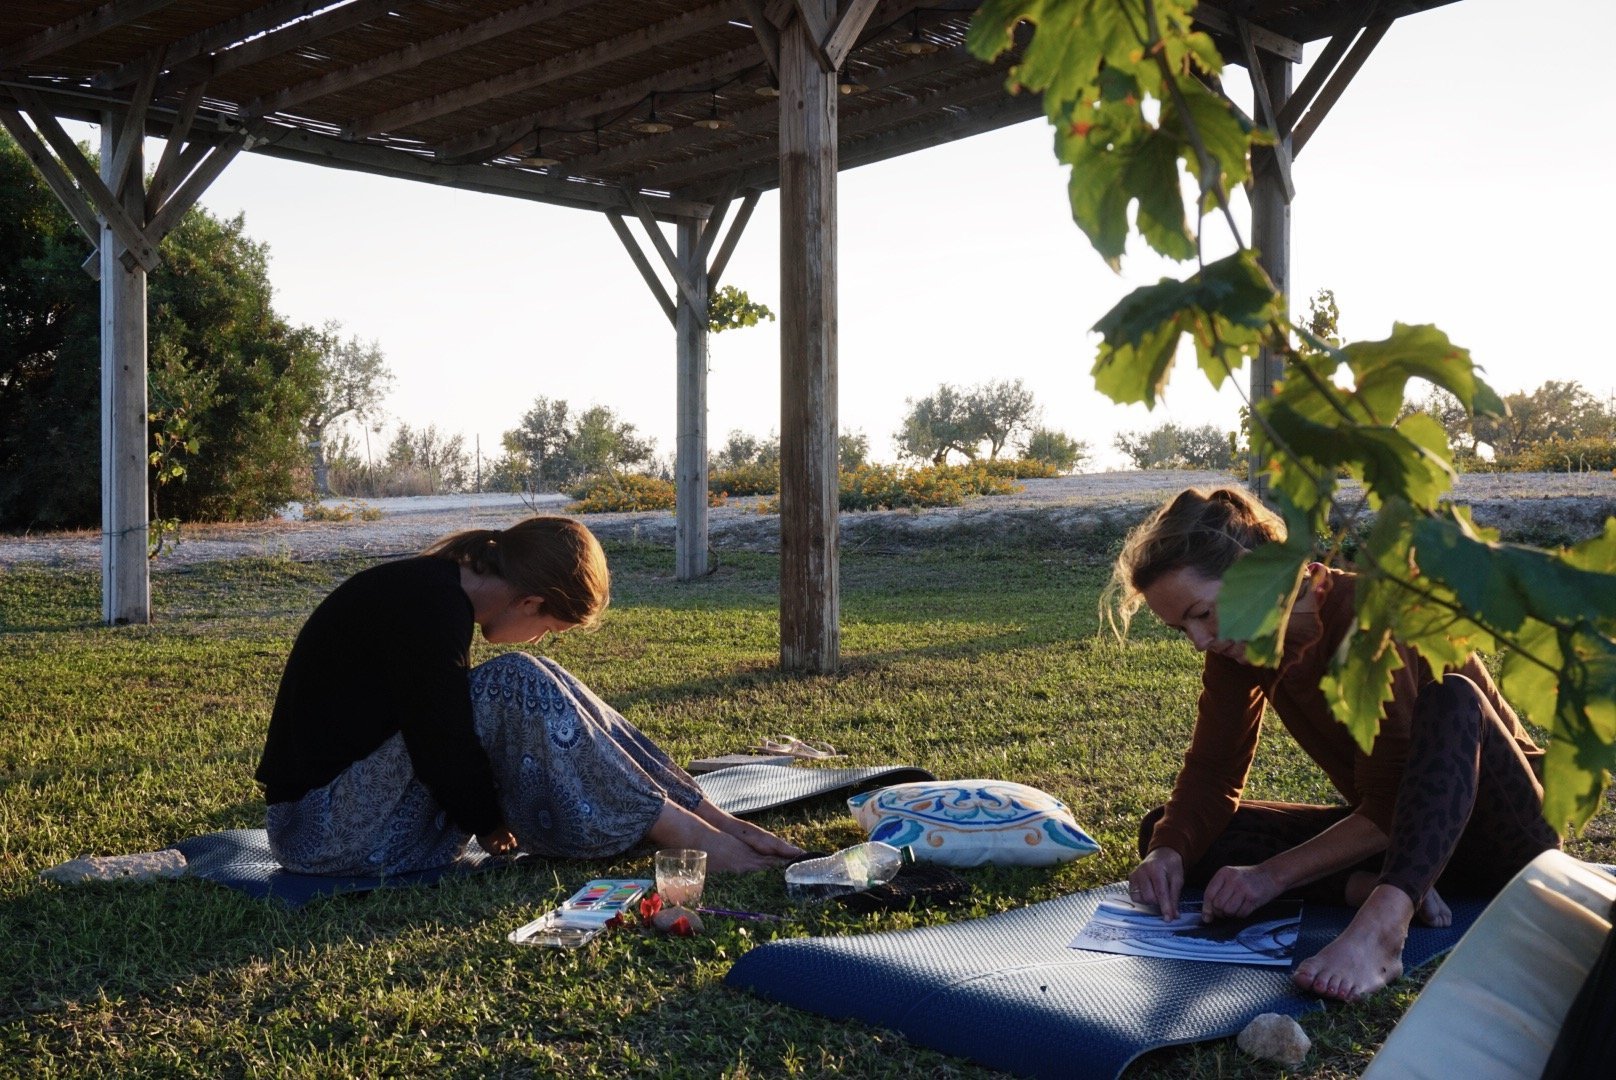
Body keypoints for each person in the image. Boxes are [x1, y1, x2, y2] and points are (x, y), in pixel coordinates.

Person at [1109, 487, 1560, 1002]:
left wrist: (1271, 877)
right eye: (1180, 627)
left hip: (1509, 839)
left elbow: (1394, 799)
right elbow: (1213, 772)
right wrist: (1168, 852)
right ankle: (1367, 887)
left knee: (1454, 698)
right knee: (1172, 830)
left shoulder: (1369, 613)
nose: (1199, 640)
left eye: (1203, 613)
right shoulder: (1237, 650)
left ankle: (1383, 928)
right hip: (1405, 852)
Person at [255, 516, 802, 878]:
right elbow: (437, 737)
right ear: (530, 600)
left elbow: (429, 722)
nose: (541, 636)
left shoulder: (434, 593)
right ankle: (685, 830)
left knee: (539, 671)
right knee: (516, 677)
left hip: (346, 818)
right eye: (548, 627)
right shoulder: (427, 605)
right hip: (322, 836)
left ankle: (706, 817)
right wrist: (489, 823)